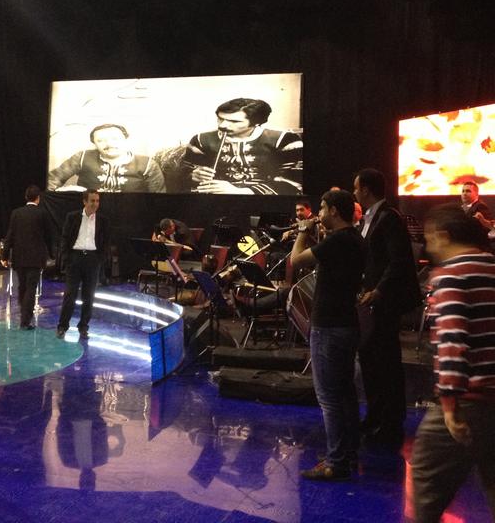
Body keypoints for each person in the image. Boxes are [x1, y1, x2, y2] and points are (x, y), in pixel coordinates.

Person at [410, 203, 495, 523]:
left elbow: (452, 340)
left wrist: (449, 404)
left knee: (426, 476)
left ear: (443, 236)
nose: (428, 247)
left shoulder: (450, 274)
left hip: (470, 398)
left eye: (429, 239)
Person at [289, 188, 367, 481]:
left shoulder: (338, 240)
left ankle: (335, 462)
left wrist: (301, 231)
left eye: (321, 208)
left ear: (334, 210)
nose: (318, 213)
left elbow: (296, 260)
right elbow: (326, 259)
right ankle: (347, 453)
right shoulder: (354, 239)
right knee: (345, 393)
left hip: (329, 326)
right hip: (346, 323)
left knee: (329, 397)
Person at [353, 168, 421, 449]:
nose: (354, 193)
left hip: (385, 301)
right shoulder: (370, 218)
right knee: (370, 359)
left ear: (366, 190)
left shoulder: (388, 217)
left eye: (356, 188)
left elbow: (398, 261)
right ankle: (375, 415)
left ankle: (390, 422)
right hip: (371, 300)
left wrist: (379, 290)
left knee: (386, 362)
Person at [180, 97, 303, 194]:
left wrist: (242, 192)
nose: (222, 125)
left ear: (257, 123)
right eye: (220, 119)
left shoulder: (286, 140)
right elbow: (184, 174)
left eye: (234, 121)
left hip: (262, 199)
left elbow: (294, 181)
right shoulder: (200, 140)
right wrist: (193, 175)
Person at [47, 123, 165, 193]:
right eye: (100, 140)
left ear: (126, 139)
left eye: (115, 139)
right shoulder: (82, 157)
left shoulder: (148, 164)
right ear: (94, 143)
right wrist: (61, 193)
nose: (109, 144)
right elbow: (52, 179)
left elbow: (158, 195)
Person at [57, 190, 110, 340]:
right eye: (92, 201)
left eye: (97, 201)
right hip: (75, 258)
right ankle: (62, 326)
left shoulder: (103, 220)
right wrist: (67, 258)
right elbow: (65, 238)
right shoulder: (72, 217)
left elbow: (105, 242)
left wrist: (99, 259)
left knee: (89, 296)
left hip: (93, 260)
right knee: (70, 294)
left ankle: (83, 327)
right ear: (84, 201)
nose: (95, 204)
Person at [2, 184, 55, 330]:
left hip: (19, 257)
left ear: (26, 197)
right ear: (38, 198)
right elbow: (48, 236)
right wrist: (52, 254)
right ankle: (25, 320)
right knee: (31, 288)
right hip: (36, 258)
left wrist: (4, 255)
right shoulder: (43, 213)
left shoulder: (16, 213)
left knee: (22, 286)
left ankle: (23, 314)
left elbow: (10, 236)